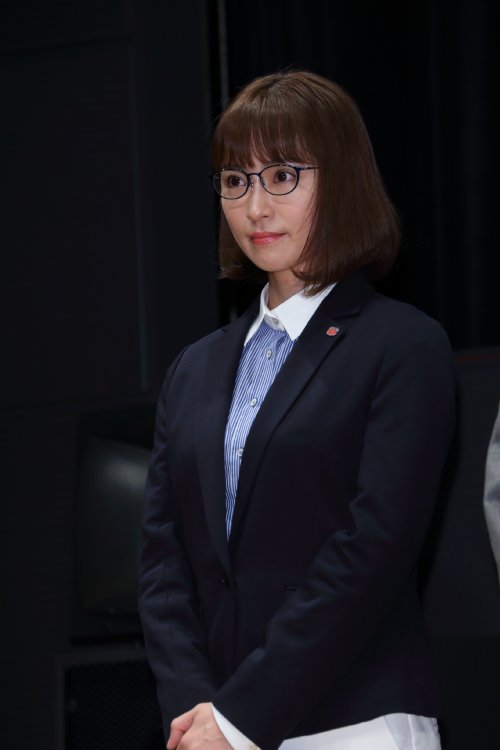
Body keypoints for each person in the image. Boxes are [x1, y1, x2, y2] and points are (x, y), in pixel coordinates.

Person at [139, 70, 456, 750]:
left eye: (282, 176)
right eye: (235, 180)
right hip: (210, 728)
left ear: (341, 180)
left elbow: (373, 550)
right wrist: (196, 709)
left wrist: (239, 716)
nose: (256, 206)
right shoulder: (193, 369)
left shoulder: (401, 344)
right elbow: (164, 563)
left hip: (355, 721)